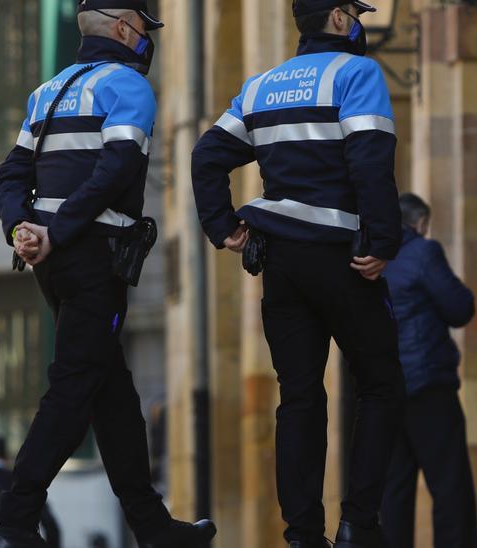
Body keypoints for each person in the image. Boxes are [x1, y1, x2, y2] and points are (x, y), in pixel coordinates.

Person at [0, 2, 215, 547]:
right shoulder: (128, 85)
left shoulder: (49, 91)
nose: (146, 41)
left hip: (54, 259)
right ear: (123, 29)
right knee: (72, 389)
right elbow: (117, 169)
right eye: (143, 29)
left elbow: (11, 174)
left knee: (110, 391)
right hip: (92, 257)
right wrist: (59, 230)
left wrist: (23, 224)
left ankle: (153, 527)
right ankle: (15, 524)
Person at [191, 1, 402, 546]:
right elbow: (370, 160)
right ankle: (358, 522)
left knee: (300, 396)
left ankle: (303, 533)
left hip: (281, 262)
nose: (357, 22)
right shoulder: (357, 72)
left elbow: (206, 156)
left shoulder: (261, 86)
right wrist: (382, 241)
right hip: (342, 257)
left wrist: (223, 227)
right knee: (381, 386)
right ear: (337, 16)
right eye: (353, 13)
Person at [379, 194, 477, 548]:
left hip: (384, 394)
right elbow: (459, 307)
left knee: (394, 493)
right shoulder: (423, 252)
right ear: (420, 224)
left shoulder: (369, 256)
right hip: (426, 386)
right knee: (450, 488)